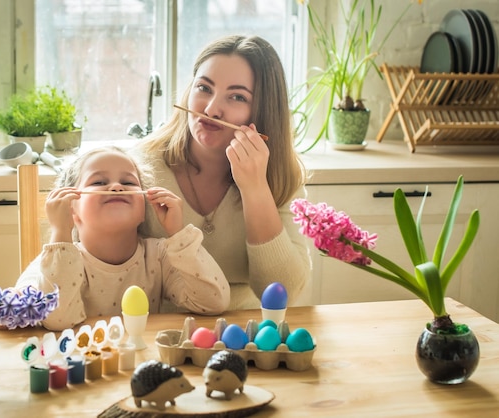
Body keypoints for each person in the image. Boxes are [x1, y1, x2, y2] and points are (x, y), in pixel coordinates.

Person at [136, 35, 311, 311]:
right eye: (204, 88)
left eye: (237, 97)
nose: (210, 109)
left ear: (263, 111)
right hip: (159, 331)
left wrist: (255, 189)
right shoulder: (140, 168)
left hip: (247, 333)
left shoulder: (283, 176)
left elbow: (284, 291)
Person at [16, 146, 230, 330]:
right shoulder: (55, 262)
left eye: (128, 182)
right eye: (99, 182)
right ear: (72, 208)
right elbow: (57, 320)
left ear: (143, 207)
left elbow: (213, 302)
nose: (116, 187)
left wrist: (178, 234)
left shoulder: (161, 256)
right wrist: (60, 233)